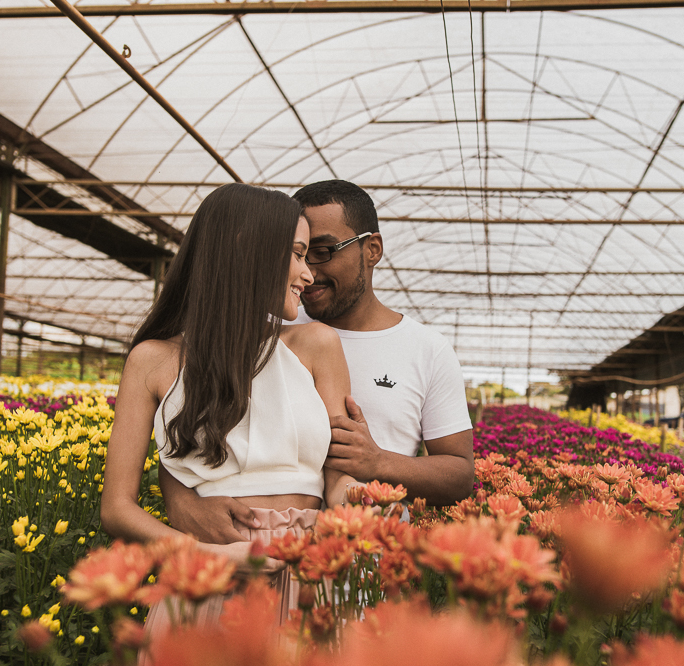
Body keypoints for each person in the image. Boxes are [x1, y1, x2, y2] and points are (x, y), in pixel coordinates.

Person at [163, 180, 474, 545]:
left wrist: (377, 462)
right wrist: (181, 502)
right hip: (253, 546)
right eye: (298, 253)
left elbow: (458, 475)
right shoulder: (265, 333)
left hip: (363, 551)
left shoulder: (427, 349)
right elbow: (191, 426)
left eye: (323, 251)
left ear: (372, 249)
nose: (308, 271)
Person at [100, 183, 355, 622]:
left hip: (308, 571)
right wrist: (203, 554)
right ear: (246, 251)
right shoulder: (152, 361)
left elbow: (339, 477)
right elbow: (116, 508)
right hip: (205, 574)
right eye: (296, 254)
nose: (308, 274)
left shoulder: (317, 344)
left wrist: (358, 518)